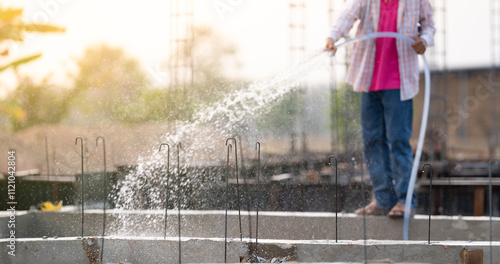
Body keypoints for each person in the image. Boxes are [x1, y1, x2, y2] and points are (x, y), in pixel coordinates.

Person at [325, 0, 435, 217]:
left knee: (399, 142)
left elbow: (429, 25)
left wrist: (424, 40)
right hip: (369, 79)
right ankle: (383, 199)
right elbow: (347, 15)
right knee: (372, 141)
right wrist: (332, 37)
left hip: (399, 82)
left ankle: (405, 201)